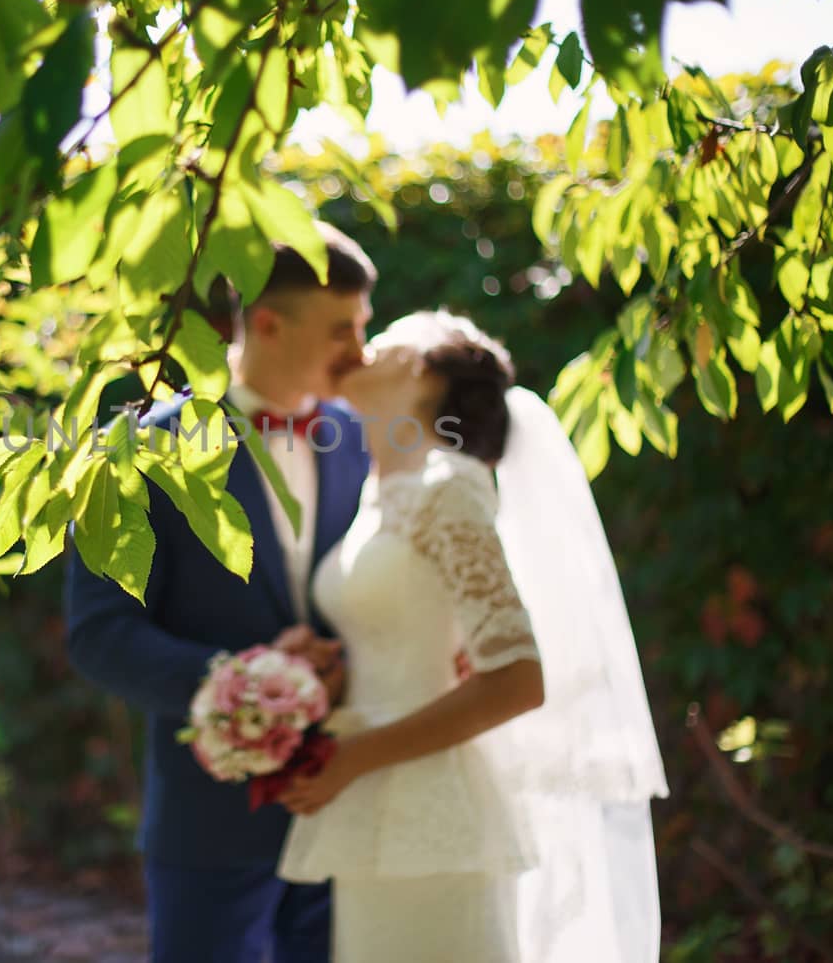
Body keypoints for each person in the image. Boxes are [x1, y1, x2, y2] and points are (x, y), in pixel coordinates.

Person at [276, 309, 668, 963]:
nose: (363, 347)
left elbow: (517, 679)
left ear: (424, 368)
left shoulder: (450, 487)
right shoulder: (380, 492)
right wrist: (325, 671)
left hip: (432, 807)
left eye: (384, 337)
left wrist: (356, 756)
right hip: (367, 799)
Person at [63, 223, 377, 963]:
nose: (361, 355)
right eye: (341, 331)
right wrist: (255, 681)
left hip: (352, 801)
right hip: (210, 819)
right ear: (267, 323)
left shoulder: (369, 440)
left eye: (363, 329)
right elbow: (101, 634)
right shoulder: (136, 453)